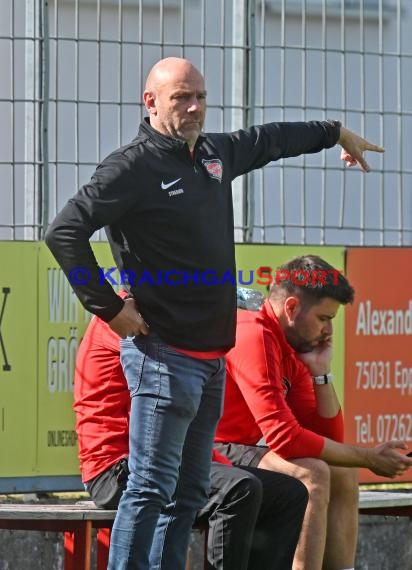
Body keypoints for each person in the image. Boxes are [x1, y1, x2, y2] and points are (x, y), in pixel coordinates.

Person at [45, 56, 385, 569]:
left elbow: (271, 139)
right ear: (151, 101)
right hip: (162, 356)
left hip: (209, 360)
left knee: (186, 494)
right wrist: (110, 309)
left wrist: (335, 133)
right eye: (182, 97)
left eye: (201, 96)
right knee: (152, 488)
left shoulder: (212, 154)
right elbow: (63, 232)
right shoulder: (131, 166)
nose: (196, 107)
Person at [214, 255, 412, 570]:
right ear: (291, 307)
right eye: (323, 318)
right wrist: (368, 457)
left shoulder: (294, 345)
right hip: (210, 450)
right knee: (313, 473)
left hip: (241, 447)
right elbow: (285, 438)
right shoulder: (254, 334)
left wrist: (321, 372)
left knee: (342, 470)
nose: (328, 330)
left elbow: (328, 438)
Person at [74, 304, 308, 570]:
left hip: (167, 457)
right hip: (116, 468)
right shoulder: (132, 316)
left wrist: (322, 372)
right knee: (239, 489)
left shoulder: (174, 320)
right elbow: (165, 406)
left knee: (289, 493)